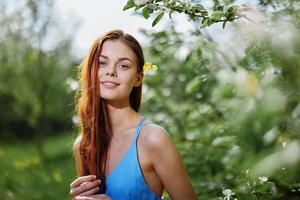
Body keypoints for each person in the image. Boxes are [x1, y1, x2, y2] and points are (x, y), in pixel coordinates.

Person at [69, 29, 197, 200]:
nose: (111, 71)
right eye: (102, 63)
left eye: (123, 66)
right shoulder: (83, 145)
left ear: (138, 78)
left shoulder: (153, 139)